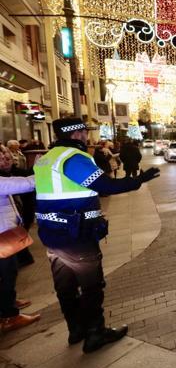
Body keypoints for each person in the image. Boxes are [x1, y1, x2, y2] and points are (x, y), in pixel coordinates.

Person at [34, 118, 160, 353]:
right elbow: (106, 186)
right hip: (76, 234)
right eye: (83, 131)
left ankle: (76, 330)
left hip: (53, 235)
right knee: (92, 286)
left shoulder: (46, 159)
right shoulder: (72, 158)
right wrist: (138, 180)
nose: (86, 135)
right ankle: (95, 333)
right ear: (75, 134)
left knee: (65, 287)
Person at [0, 175, 40, 332]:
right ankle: (9, 316)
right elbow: (25, 184)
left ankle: (7, 302)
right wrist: (42, 169)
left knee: (6, 273)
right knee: (7, 274)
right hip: (2, 236)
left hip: (4, 232)